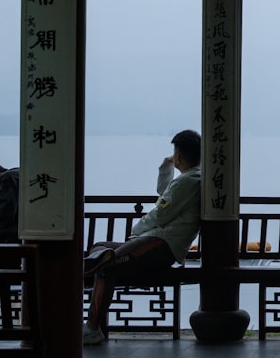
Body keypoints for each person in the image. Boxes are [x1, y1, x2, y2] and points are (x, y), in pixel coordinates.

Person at [82, 129, 203, 346]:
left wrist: (135, 233)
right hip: (155, 241)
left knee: (107, 266)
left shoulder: (188, 180)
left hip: (161, 244)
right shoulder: (191, 177)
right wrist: (168, 164)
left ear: (179, 155)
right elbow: (163, 191)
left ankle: (92, 327)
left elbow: (162, 211)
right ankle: (89, 267)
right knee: (101, 247)